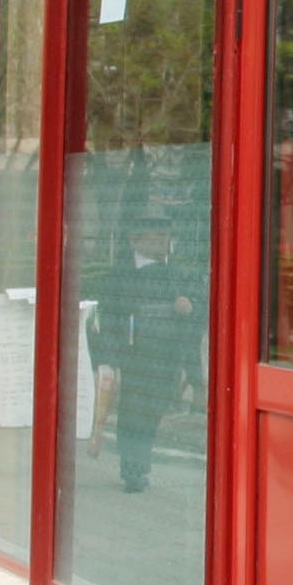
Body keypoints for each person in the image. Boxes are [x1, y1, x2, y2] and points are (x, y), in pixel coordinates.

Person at [90, 208, 203, 493]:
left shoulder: (178, 273)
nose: (164, 240)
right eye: (157, 235)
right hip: (132, 357)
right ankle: (134, 467)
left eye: (166, 235)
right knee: (132, 411)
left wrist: (189, 307)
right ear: (135, 240)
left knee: (153, 411)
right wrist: (108, 362)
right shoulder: (119, 275)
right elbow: (108, 319)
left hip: (167, 358)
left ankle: (137, 461)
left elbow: (199, 314)